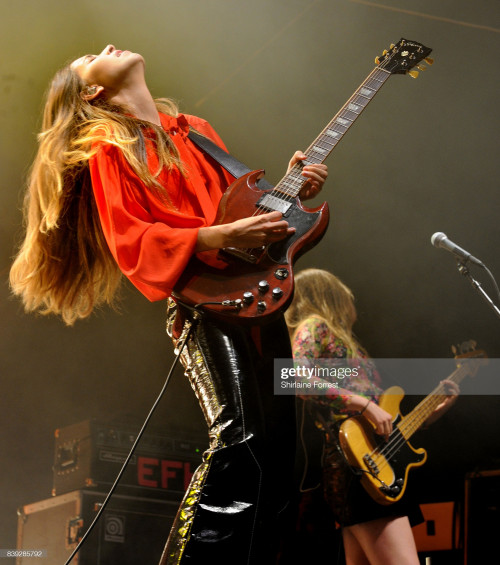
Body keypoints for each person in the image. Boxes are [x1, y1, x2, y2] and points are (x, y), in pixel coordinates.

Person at [8, 45, 328, 564]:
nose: (104, 46)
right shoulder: (109, 149)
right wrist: (220, 233)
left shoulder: (195, 128)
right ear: (92, 92)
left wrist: (287, 192)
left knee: (280, 453)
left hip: (256, 298)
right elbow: (133, 239)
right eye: (90, 58)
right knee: (238, 438)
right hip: (202, 306)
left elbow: (242, 211)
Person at [284, 268, 459, 565]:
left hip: (367, 460)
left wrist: (431, 415)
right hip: (355, 461)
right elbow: (294, 379)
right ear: (332, 296)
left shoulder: (343, 343)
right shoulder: (315, 325)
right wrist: (362, 404)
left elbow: (383, 416)